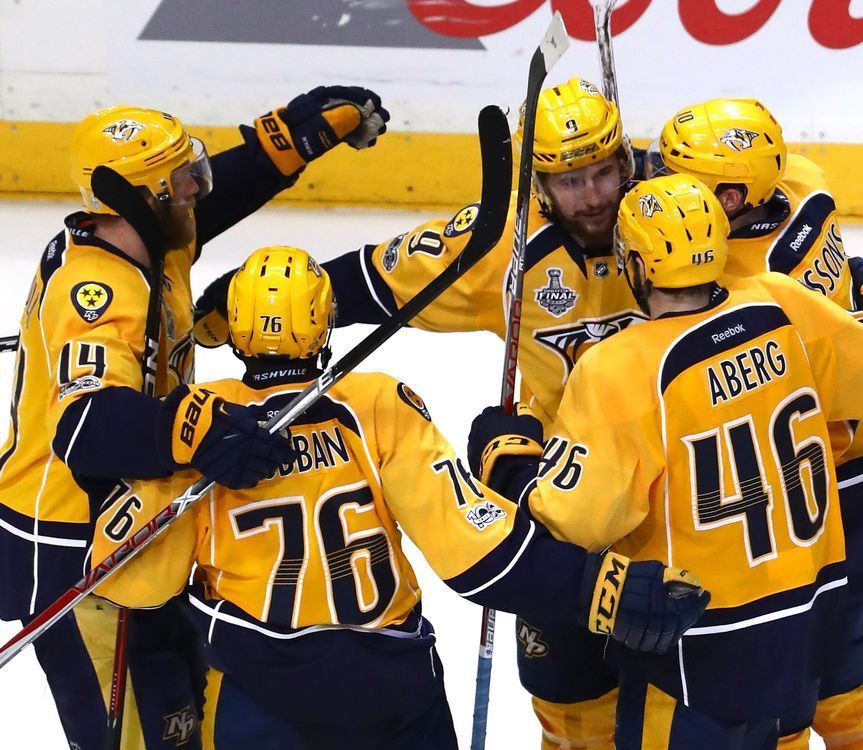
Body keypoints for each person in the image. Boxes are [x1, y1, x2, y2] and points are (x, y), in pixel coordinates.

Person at [90, 245, 709, 750]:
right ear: (325, 324)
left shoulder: (202, 423)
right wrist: (600, 587)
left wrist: (169, 456)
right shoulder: (377, 402)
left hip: (259, 699)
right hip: (392, 694)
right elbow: (478, 548)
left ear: (237, 335)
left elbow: (131, 582)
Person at [193, 77, 646, 749]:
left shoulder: (671, 218)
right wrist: (255, 305)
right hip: (563, 494)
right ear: (537, 186)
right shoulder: (504, 246)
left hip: (676, 483)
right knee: (571, 704)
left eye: (603, 174)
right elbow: (376, 278)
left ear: (627, 163)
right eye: (570, 180)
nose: (593, 197)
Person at [468, 174, 863, 749]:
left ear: (638, 268)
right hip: (805, 625)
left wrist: (508, 464)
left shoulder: (622, 368)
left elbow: (577, 521)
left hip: (693, 645)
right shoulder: (782, 301)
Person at [0, 85, 390, 749]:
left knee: (186, 716)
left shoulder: (154, 239)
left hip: (146, 520)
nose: (197, 190)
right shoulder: (92, 292)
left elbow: (223, 194)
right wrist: (196, 428)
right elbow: (86, 428)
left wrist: (289, 143)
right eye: (183, 180)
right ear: (145, 198)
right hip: (76, 548)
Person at [645, 98, 863, 749]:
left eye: (678, 172)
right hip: (833, 496)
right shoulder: (794, 182)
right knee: (849, 694)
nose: (658, 179)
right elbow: (847, 296)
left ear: (730, 194)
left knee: (794, 706)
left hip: (790, 519)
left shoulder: (726, 280)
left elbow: (841, 300)